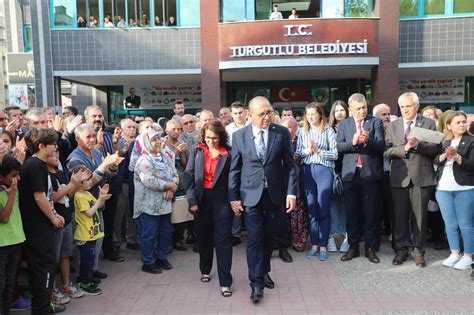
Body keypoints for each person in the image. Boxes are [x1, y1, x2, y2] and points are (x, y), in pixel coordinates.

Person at [229, 96, 296, 303]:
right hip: (250, 195)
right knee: (255, 237)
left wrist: (291, 193)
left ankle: (264, 270)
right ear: (250, 115)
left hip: (274, 194)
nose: (267, 117)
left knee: (269, 237)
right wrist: (233, 198)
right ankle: (256, 282)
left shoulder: (281, 132)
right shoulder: (240, 136)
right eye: (262, 114)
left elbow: (290, 166)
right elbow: (235, 169)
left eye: (269, 112)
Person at [384, 92, 439, 268]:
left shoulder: (428, 123)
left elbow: (435, 149)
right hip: (399, 177)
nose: (405, 110)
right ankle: (401, 250)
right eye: (402, 107)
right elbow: (387, 152)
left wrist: (419, 145)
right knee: (400, 217)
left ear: (416, 106)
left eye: (408, 106)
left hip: (422, 177)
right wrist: (405, 148)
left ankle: (418, 251)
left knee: (420, 218)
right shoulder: (393, 125)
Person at [185, 120, 234, 297]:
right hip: (202, 199)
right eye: (207, 138)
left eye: (214, 138)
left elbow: (235, 177)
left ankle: (226, 282)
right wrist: (192, 201)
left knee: (223, 240)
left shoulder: (229, 152)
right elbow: (188, 175)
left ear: (221, 136)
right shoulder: (197, 150)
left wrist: (235, 200)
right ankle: (205, 269)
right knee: (204, 238)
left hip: (222, 199)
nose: (211, 141)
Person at [18, 129, 64, 314]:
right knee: (44, 267)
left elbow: (46, 197)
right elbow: (39, 197)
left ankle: (42, 306)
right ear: (42, 146)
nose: (56, 148)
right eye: (53, 144)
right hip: (37, 228)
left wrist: (54, 213)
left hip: (37, 225)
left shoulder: (36, 164)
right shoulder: (35, 165)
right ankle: (41, 308)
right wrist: (52, 217)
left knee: (41, 268)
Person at [336, 93, 384, 264]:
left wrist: (368, 141)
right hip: (350, 175)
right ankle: (353, 247)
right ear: (350, 109)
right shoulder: (344, 124)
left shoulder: (375, 121)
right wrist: (354, 142)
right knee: (352, 213)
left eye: (364, 107)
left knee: (370, 213)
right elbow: (339, 146)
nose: (362, 111)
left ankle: (370, 249)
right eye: (358, 108)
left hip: (370, 174)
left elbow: (381, 146)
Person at [296, 103, 338, 260]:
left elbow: (335, 154)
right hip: (307, 171)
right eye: (308, 114)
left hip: (323, 171)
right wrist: (307, 151)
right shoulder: (302, 131)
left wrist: (319, 151)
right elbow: (297, 152)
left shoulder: (328, 130)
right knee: (311, 209)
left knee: (323, 209)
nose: (310, 117)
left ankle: (324, 246)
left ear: (320, 114)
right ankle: (314, 244)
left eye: (313, 114)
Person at [134, 129, 178, 274]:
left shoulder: (165, 157)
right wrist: (168, 185)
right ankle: (148, 261)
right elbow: (149, 181)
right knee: (149, 234)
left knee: (166, 232)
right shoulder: (143, 161)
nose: (158, 142)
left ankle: (162, 257)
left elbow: (174, 174)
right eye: (154, 139)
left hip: (165, 204)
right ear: (146, 143)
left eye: (159, 138)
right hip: (148, 205)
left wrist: (172, 188)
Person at [434, 111, 473, 270]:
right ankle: (455, 252)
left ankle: (469, 255)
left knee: (465, 223)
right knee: (450, 223)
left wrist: (457, 157)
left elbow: (472, 165)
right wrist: (444, 155)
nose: (462, 124)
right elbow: (436, 159)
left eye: (464, 121)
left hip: (465, 188)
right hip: (443, 188)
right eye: (458, 122)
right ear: (449, 125)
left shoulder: (471, 141)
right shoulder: (445, 141)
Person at [73, 170, 111, 295]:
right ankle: (84, 282)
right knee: (86, 260)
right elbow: (89, 212)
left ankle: (87, 279)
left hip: (92, 233)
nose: (90, 182)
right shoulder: (79, 196)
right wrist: (100, 200)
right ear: (78, 182)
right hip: (85, 234)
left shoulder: (88, 194)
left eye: (90, 179)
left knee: (90, 258)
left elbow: (98, 206)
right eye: (87, 180)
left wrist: (102, 197)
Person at [0, 156, 25, 315]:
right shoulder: (9, 192)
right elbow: (4, 217)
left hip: (17, 240)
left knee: (9, 283)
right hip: (2, 243)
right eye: (14, 175)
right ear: (1, 177)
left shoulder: (15, 187)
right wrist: (11, 195)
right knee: (1, 283)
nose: (18, 178)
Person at [281, 116, 308, 252]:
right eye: (285, 127)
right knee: (283, 215)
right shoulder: (279, 140)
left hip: (299, 182)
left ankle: (299, 241)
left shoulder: (301, 141)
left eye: (290, 126)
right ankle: (284, 241)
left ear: (296, 128)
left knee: (299, 214)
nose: (288, 129)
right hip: (283, 182)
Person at [327, 100, 350, 253]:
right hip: (332, 172)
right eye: (337, 111)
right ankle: (332, 237)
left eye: (342, 110)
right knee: (333, 205)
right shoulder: (328, 130)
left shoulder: (351, 127)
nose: (340, 113)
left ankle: (346, 238)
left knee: (347, 205)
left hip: (349, 171)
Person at [373, 103, 394, 243]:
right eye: (383, 114)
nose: (387, 117)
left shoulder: (395, 129)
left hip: (391, 173)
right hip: (375, 173)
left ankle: (394, 233)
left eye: (388, 114)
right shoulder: (371, 129)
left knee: (392, 206)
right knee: (375, 207)